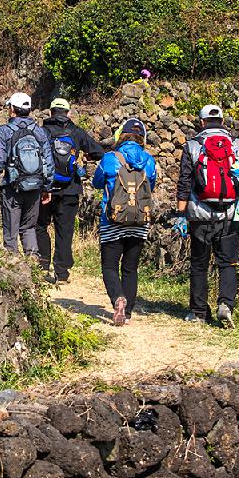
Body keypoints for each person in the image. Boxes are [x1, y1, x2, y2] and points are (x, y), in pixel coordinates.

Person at [175, 105, 239, 326]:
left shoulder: (193, 146)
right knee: (227, 264)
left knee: (199, 264)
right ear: (223, 121)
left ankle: (198, 312)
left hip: (199, 216)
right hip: (230, 216)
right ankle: (225, 305)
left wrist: (180, 214)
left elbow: (184, 183)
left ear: (202, 122)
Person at [92, 119, 158, 326]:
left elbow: (96, 182)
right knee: (130, 268)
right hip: (139, 219)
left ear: (121, 136)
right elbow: (151, 185)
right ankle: (127, 312)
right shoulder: (148, 160)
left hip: (112, 220)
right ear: (143, 138)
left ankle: (117, 298)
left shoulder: (110, 158)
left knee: (110, 266)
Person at [38, 98, 105, 284]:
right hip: (70, 189)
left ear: (51, 112)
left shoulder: (42, 132)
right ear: (68, 113)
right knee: (64, 230)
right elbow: (100, 152)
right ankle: (62, 273)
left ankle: (42, 267)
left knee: (40, 226)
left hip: (46, 188)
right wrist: (87, 155)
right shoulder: (76, 133)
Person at [0, 93, 53, 255]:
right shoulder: (39, 131)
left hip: (12, 188)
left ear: (12, 109)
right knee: (29, 228)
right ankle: (33, 263)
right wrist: (47, 187)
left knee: (11, 231)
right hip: (35, 187)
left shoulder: (5, 131)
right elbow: (48, 162)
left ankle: (13, 270)